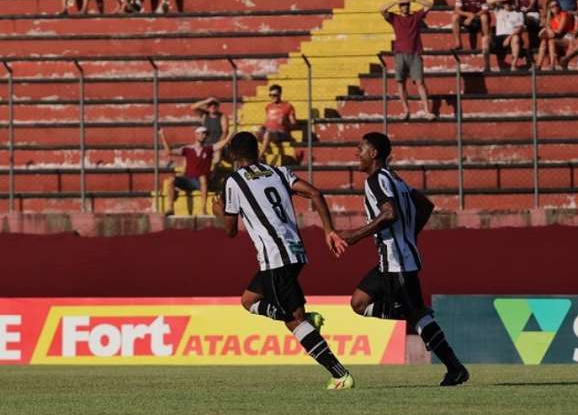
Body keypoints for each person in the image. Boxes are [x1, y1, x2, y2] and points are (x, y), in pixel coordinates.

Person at [212, 132, 354, 390]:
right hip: (296, 252)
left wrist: (218, 212)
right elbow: (315, 193)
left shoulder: (233, 181)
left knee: (292, 320)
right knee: (248, 300)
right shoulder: (279, 172)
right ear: (257, 151)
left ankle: (339, 373)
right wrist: (328, 231)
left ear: (233, 155)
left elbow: (230, 230)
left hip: (274, 257)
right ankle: (305, 318)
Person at [338, 133, 469, 387]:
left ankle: (455, 368)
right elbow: (426, 206)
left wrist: (353, 235)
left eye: (361, 149)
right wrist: (410, 234)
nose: (357, 153)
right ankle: (416, 313)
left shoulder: (376, 180)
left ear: (374, 153)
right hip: (393, 259)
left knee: (417, 317)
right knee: (359, 302)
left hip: (396, 260)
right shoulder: (396, 180)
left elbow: (389, 214)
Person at [380, 0, 435, 121]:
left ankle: (427, 110)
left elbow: (429, 4)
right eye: (403, 5)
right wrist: (395, 1)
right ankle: (405, 110)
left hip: (414, 53)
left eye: (406, 4)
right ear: (399, 7)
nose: (405, 7)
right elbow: (382, 10)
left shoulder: (415, 16)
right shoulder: (395, 18)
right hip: (400, 54)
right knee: (401, 83)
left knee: (420, 82)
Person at [159, 125, 232, 216]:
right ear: (196, 135)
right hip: (188, 179)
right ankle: (170, 208)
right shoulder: (187, 149)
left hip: (200, 182)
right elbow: (169, 152)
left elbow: (223, 143)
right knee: (171, 180)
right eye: (202, 134)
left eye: (205, 134)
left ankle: (203, 209)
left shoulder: (208, 149)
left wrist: (230, 135)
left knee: (203, 178)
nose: (204, 136)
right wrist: (163, 137)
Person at [451, 0, 491, 70]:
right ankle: (458, 43)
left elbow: (484, 10)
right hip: (466, 18)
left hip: (477, 18)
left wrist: (473, 16)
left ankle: (485, 40)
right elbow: (457, 9)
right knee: (454, 17)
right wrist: (469, 15)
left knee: (484, 17)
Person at [259, 85, 298, 164]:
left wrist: (285, 123)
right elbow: (268, 121)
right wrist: (262, 127)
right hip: (269, 132)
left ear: (280, 94)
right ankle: (264, 153)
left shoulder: (288, 106)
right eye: (270, 95)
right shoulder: (268, 107)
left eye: (274, 95)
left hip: (282, 133)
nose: (272, 97)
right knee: (254, 134)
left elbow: (294, 125)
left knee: (268, 134)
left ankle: (259, 157)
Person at [486, 0, 525, 70]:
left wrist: (509, 38)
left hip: (511, 36)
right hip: (499, 37)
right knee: (485, 39)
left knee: (516, 38)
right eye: (505, 2)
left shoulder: (518, 13)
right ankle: (487, 67)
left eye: (509, 2)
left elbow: (519, 28)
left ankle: (513, 65)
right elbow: (488, 1)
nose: (506, 4)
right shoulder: (499, 10)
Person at [535, 0, 574, 70]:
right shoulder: (551, 19)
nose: (555, 7)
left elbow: (559, 31)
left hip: (568, 37)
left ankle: (552, 64)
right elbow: (540, 35)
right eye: (552, 6)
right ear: (549, 9)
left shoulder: (563, 15)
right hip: (558, 38)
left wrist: (547, 28)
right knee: (544, 41)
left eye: (556, 5)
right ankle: (538, 65)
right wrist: (547, 29)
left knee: (551, 40)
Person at [191, 96, 229, 162]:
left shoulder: (222, 116)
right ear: (207, 106)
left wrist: (219, 144)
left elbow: (224, 132)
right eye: (210, 105)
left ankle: (214, 170)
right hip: (205, 144)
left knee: (216, 156)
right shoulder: (205, 115)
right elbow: (193, 107)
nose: (212, 106)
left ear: (217, 106)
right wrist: (206, 101)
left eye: (214, 104)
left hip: (217, 144)